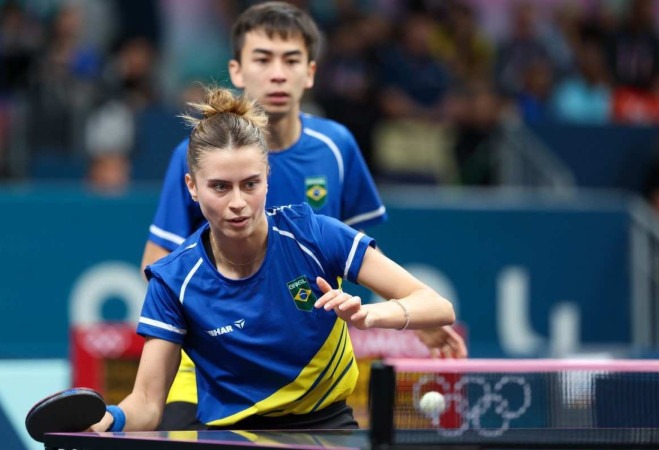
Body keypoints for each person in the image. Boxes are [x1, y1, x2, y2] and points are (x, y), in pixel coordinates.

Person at [140, 1, 467, 430]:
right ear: (237, 71)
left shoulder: (337, 146)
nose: (277, 73)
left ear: (310, 72)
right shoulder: (195, 157)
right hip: (211, 365)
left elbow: (353, 251)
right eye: (263, 58)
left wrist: (408, 314)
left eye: (290, 59)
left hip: (306, 355)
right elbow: (158, 262)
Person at [91, 86, 456, 432]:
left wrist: (373, 315)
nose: (237, 202)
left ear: (267, 177)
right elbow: (148, 403)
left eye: (250, 184)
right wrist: (109, 419)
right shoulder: (173, 280)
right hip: (231, 434)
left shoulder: (314, 235)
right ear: (191, 187)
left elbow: (436, 306)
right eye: (220, 186)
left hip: (323, 425)